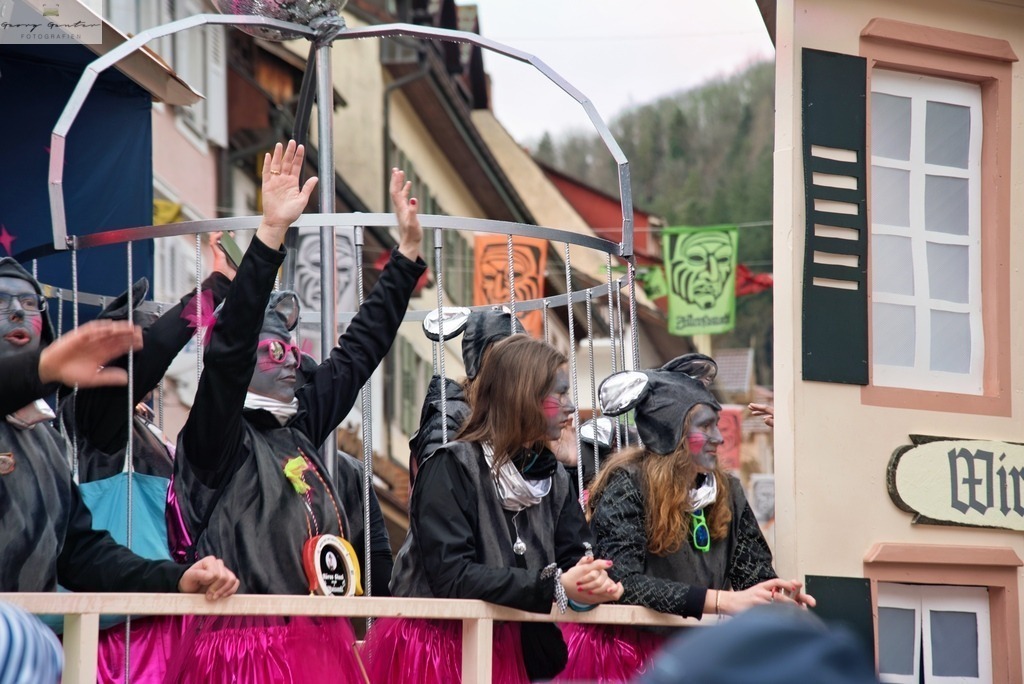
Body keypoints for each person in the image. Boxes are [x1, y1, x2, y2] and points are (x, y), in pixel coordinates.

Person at [165, 141, 426, 682]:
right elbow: (230, 348)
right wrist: (270, 235)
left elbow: (358, 352)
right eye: (272, 351)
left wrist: (405, 257)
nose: (289, 359)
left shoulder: (301, 424)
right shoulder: (217, 440)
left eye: (292, 349)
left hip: (319, 648)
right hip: (246, 655)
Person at [363, 334, 623, 683]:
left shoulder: (555, 479)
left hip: (507, 650)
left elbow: (574, 560)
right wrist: (556, 586)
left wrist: (592, 583)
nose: (571, 407)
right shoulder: (449, 467)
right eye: (559, 394)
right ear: (522, 397)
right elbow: (452, 576)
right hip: (434, 654)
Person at [559, 353, 814, 682]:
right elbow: (622, 581)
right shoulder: (626, 484)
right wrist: (720, 601)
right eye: (705, 426)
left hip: (701, 654)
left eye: (717, 426)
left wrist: (774, 598)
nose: (719, 439)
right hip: (629, 660)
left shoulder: (728, 490)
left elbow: (752, 577)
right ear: (672, 433)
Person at [0, 256, 239, 599]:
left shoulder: (47, 441)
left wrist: (175, 578)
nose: (17, 312)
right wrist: (216, 289)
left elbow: (82, 554)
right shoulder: (92, 412)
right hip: (117, 637)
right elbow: (160, 346)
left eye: (28, 302)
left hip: (51, 640)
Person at [408, 306, 523, 483]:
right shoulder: (448, 422)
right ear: (482, 364)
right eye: (508, 357)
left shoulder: (511, 422)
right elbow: (438, 497)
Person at [0, 318, 142, 416]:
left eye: (29, 303)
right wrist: (41, 368)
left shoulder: (45, 435)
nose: (18, 313)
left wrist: (44, 368)